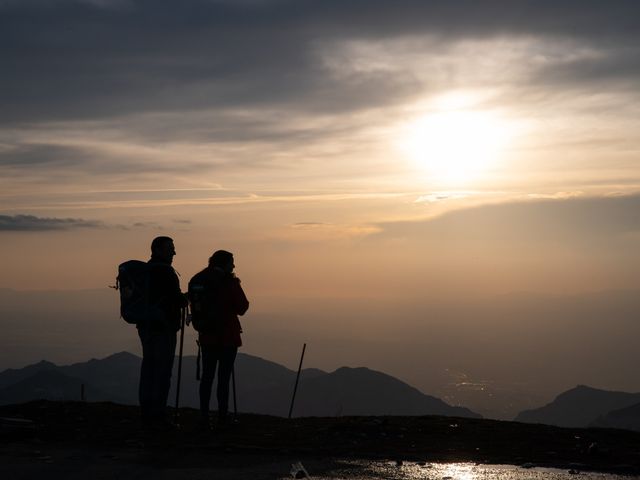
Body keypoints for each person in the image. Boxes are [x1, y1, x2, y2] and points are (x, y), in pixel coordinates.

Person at [189, 250, 249, 429]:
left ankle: (204, 416)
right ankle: (223, 416)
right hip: (227, 337)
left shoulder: (197, 279)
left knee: (207, 377)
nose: (234, 266)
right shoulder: (229, 282)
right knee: (223, 378)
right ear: (224, 263)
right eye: (232, 262)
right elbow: (242, 307)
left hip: (207, 336)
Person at [138, 236, 188, 430]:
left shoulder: (146, 270)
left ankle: (146, 411)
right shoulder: (166, 272)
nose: (174, 252)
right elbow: (176, 300)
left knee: (149, 368)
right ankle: (158, 415)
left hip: (146, 326)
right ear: (158, 250)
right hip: (164, 327)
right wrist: (186, 299)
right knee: (162, 371)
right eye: (170, 249)